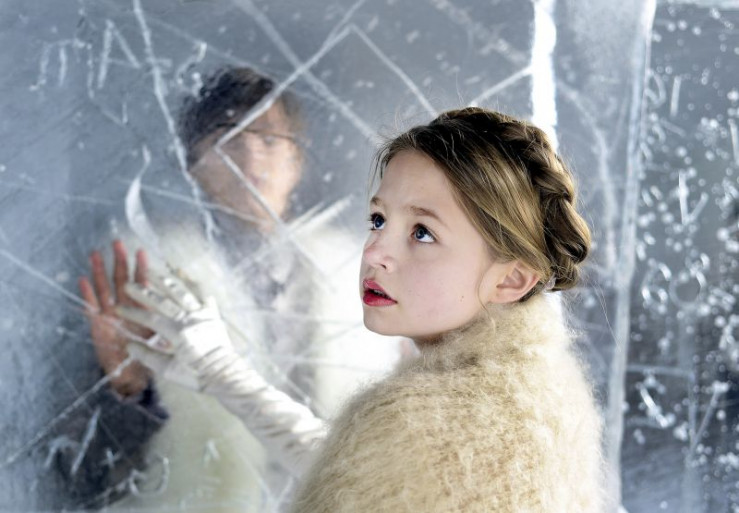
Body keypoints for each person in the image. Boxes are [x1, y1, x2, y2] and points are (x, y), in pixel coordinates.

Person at [115, 106, 605, 512]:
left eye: (422, 233)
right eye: (378, 219)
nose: (374, 252)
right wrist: (223, 375)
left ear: (512, 278)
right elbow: (367, 471)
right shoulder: (524, 388)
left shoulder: (433, 417)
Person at [78, 67, 398, 510]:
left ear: (296, 160)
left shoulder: (363, 273)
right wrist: (129, 388)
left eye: (268, 139)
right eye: (227, 140)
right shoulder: (147, 272)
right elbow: (91, 460)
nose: (249, 158)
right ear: (192, 164)